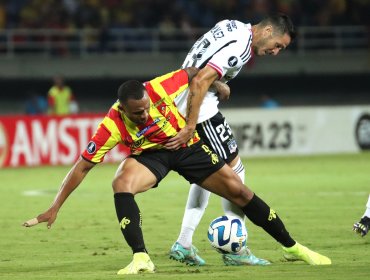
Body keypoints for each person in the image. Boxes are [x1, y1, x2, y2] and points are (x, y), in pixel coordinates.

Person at [23, 67, 331, 276]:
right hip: (151, 157)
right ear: (122, 109)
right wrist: (55, 206)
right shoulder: (112, 124)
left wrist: (218, 82)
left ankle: (292, 247)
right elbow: (82, 167)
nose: (144, 114)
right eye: (137, 113)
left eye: (145, 108)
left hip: (186, 146)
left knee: (240, 192)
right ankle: (141, 257)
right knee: (121, 181)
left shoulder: (158, 88)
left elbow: (194, 72)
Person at [169, 14, 292, 266]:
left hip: (179, 100)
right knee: (235, 172)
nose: (276, 52)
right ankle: (236, 249)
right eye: (278, 45)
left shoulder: (229, 25)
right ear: (268, 30)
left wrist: (219, 84)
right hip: (199, 111)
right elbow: (201, 80)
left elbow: (197, 66)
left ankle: (183, 242)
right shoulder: (242, 48)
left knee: (208, 172)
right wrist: (191, 125)